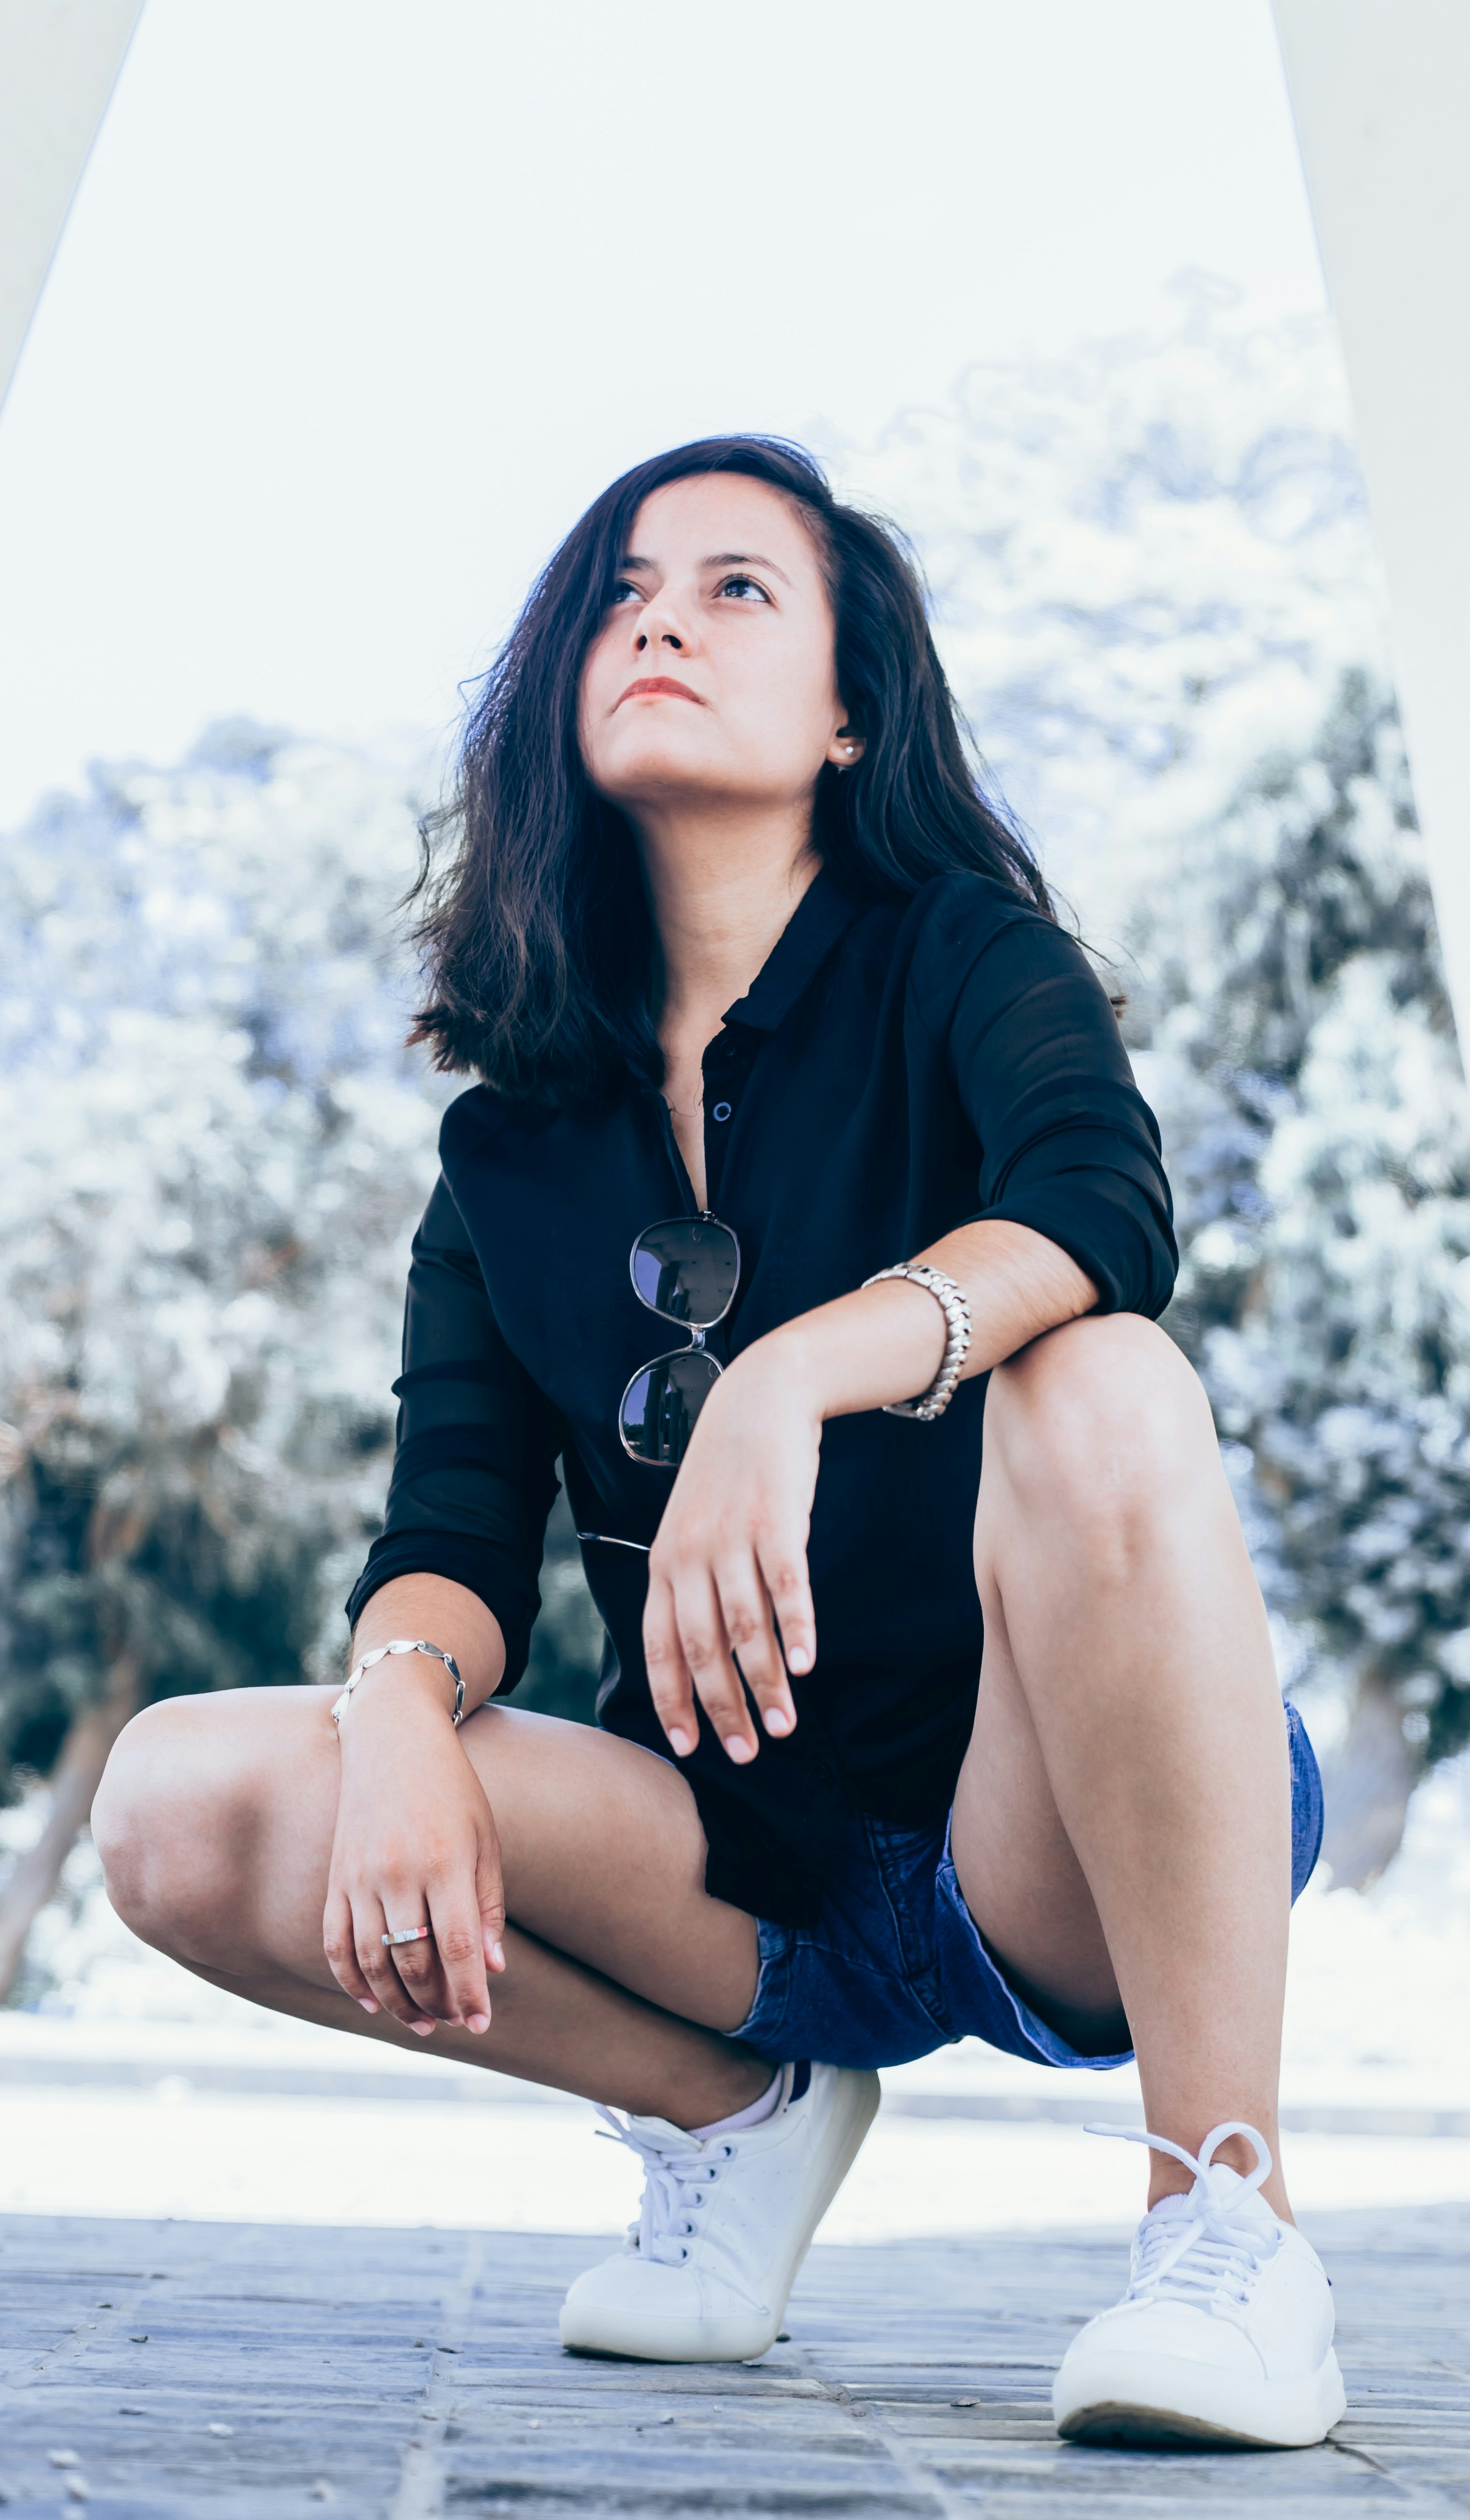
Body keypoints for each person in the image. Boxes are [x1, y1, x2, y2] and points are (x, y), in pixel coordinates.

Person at [93, 436, 1344, 2448]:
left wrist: (791, 1377)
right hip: (731, 1875)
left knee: (1103, 1375)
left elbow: (1104, 1206)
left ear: (850, 715)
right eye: (622, 591)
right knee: (177, 1803)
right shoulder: (509, 1143)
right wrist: (397, 1710)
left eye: (736, 587)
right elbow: (454, 1530)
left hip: (1054, 1841)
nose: (660, 617)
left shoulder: (962, 955)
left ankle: (1229, 2225)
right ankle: (739, 2118)